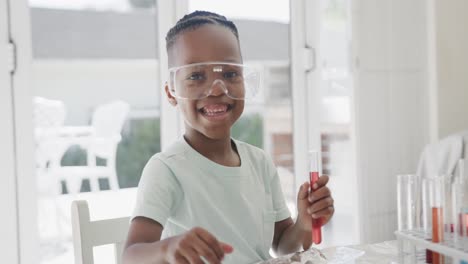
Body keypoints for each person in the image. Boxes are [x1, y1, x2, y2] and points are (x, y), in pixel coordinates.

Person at [123, 10, 334, 264]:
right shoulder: (167, 169)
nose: (217, 89)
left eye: (230, 74)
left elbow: (282, 245)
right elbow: (130, 256)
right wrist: (167, 249)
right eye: (196, 76)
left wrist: (304, 222)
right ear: (171, 93)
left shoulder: (260, 162)